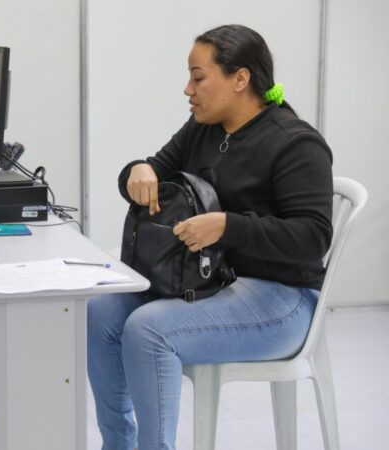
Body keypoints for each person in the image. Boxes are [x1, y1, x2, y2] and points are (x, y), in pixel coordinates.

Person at [87, 24, 333, 450]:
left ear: (240, 79)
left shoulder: (296, 143)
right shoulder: (204, 128)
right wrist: (136, 170)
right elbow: (150, 169)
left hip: (284, 298)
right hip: (209, 280)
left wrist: (226, 225)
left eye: (198, 77)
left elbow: (312, 237)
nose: (188, 89)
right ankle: (118, 445)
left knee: (148, 330)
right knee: (99, 312)